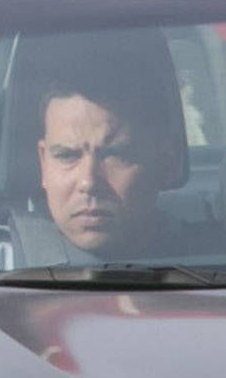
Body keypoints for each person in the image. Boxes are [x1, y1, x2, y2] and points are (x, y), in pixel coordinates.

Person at [22, 47, 188, 263]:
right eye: (67, 156)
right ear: (43, 163)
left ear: (167, 163)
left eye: (115, 154)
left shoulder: (223, 264)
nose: (88, 182)